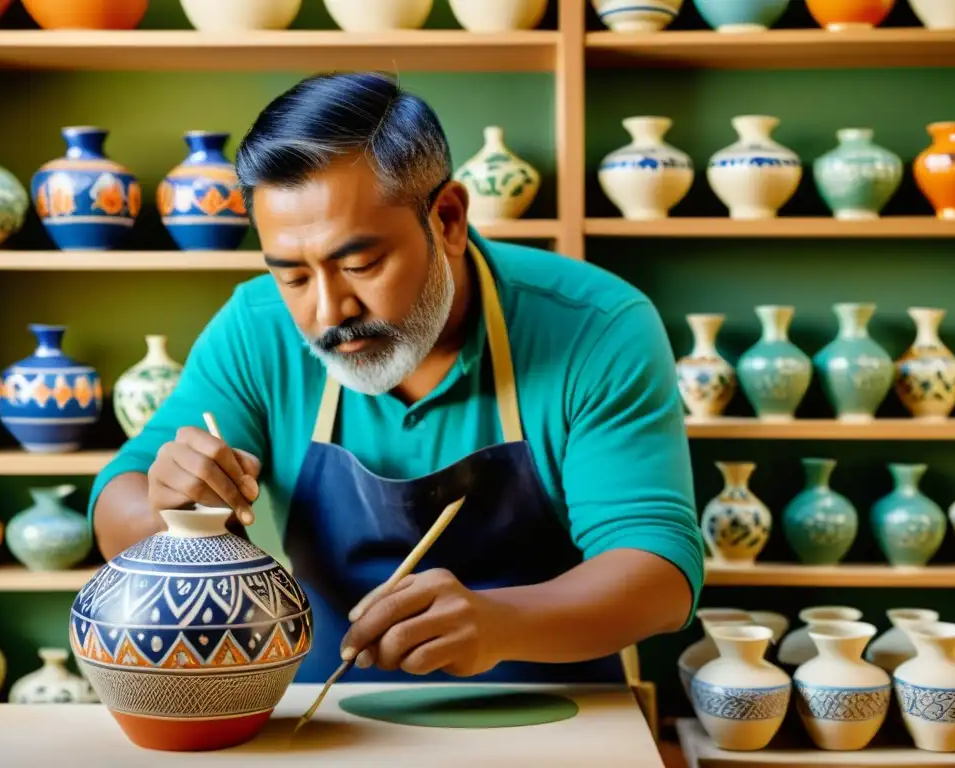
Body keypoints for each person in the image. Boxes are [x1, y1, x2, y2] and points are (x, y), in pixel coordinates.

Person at [88, 71, 704, 685]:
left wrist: (503, 624)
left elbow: (659, 572)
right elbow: (121, 496)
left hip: (560, 706)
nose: (329, 312)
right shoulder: (257, 326)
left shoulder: (596, 325)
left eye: (360, 264)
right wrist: (169, 510)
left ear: (448, 219)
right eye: (293, 276)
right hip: (328, 711)